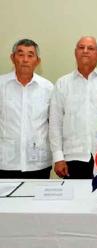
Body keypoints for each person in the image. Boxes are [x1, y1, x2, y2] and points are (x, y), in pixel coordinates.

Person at [49, 36, 97, 179]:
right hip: (72, 157)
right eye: (81, 47)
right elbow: (55, 123)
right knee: (74, 201)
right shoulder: (62, 84)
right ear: (75, 52)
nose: (85, 51)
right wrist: (58, 157)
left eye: (90, 48)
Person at [0, 39, 53, 179]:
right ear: (12, 58)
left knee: (37, 201)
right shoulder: (1, 86)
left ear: (37, 61)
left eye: (30, 55)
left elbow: (54, 125)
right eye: (20, 54)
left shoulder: (48, 88)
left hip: (39, 164)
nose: (25, 59)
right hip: (5, 163)